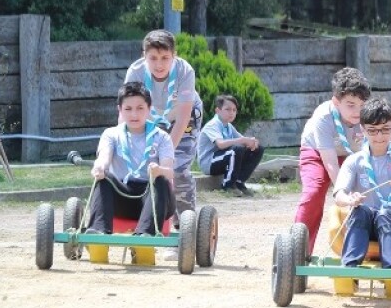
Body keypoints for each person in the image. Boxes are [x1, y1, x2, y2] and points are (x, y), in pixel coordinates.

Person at [333, 98, 391, 267]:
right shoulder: (354, 161)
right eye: (373, 130)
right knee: (360, 212)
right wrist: (350, 200)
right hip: (365, 224)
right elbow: (339, 196)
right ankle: (348, 269)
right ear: (363, 129)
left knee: (384, 214)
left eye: (385, 129)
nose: (379, 136)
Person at [124, 30, 200, 220]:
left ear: (174, 55)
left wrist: (168, 153)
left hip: (182, 119)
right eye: (153, 58)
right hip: (149, 119)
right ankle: (146, 216)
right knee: (142, 167)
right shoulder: (135, 72)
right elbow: (126, 111)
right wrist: (125, 145)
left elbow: (183, 117)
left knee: (177, 168)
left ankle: (185, 219)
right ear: (144, 56)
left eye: (165, 58)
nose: (159, 64)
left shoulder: (184, 71)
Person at [295, 68, 372, 253]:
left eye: (362, 105)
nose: (357, 111)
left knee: (367, 192)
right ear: (336, 102)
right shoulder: (324, 117)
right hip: (317, 152)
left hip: (350, 155)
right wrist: (341, 192)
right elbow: (330, 162)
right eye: (351, 105)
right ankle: (299, 249)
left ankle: (366, 248)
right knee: (314, 192)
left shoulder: (368, 115)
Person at [85, 82, 175, 235]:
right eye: (128, 109)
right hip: (122, 196)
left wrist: (159, 170)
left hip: (153, 199)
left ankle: (145, 235)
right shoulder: (111, 134)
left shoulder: (161, 137)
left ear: (149, 109)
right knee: (104, 178)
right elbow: (104, 157)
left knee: (160, 180)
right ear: (120, 110)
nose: (134, 114)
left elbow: (169, 172)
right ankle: (97, 232)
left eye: (140, 108)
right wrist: (99, 167)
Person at [196, 94, 263, 197]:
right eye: (227, 109)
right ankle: (228, 185)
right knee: (235, 149)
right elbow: (221, 144)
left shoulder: (228, 126)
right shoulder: (213, 125)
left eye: (234, 110)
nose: (231, 113)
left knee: (258, 149)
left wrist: (252, 142)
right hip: (209, 162)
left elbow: (242, 141)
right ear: (218, 111)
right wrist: (242, 140)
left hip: (223, 157)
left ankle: (239, 182)